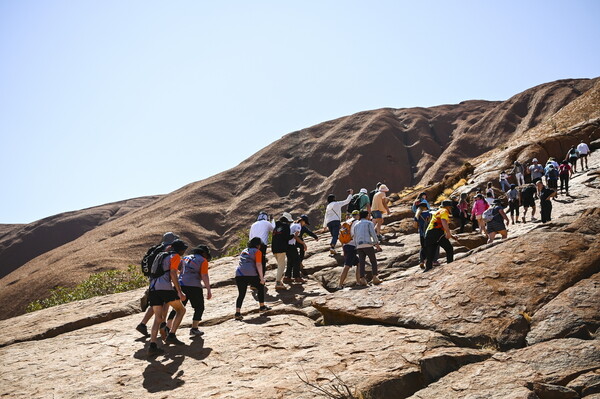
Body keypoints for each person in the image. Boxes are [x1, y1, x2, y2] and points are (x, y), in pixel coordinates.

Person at [147, 239, 188, 356]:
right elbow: (173, 273)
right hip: (165, 288)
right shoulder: (175, 256)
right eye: (183, 249)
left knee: (158, 318)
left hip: (153, 288)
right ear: (179, 249)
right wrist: (179, 291)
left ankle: (153, 345)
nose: (184, 251)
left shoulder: (161, 255)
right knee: (181, 310)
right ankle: (172, 335)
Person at [137, 232, 179, 337]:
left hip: (153, 280)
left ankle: (143, 324)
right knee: (165, 303)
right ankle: (162, 326)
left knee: (155, 304)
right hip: (162, 281)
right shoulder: (169, 250)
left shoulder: (156, 249)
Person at [166, 244, 212, 337]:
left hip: (181, 284)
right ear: (203, 253)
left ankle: (167, 327)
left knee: (178, 307)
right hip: (194, 286)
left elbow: (179, 268)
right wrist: (208, 289)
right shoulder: (203, 260)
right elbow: (204, 275)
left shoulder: (185, 258)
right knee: (199, 307)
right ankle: (194, 328)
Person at [234, 237, 271, 321]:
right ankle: (262, 307)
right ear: (258, 245)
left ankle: (237, 313)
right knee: (260, 287)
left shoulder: (244, 250)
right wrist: (262, 278)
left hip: (239, 273)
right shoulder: (257, 251)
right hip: (250, 273)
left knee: (241, 294)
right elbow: (258, 264)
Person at [424, 200, 458, 272]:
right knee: (449, 248)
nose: (450, 209)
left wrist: (451, 236)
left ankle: (428, 268)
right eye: (450, 208)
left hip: (429, 233)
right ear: (448, 207)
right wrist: (448, 233)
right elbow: (443, 221)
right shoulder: (444, 210)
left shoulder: (437, 211)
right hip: (437, 232)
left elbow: (441, 225)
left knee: (431, 252)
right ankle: (450, 265)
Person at [353, 210, 382, 285]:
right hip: (367, 244)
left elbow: (355, 236)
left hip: (359, 245)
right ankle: (375, 277)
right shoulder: (369, 223)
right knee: (373, 261)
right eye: (369, 215)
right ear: (367, 216)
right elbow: (373, 234)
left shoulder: (356, 225)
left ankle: (362, 279)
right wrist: (377, 244)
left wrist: (356, 246)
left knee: (362, 262)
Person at [323, 190, 354, 255]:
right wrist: (350, 194)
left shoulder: (328, 206)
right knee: (335, 235)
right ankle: (332, 247)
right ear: (334, 198)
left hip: (329, 222)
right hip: (335, 221)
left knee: (333, 236)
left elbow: (325, 215)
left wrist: (324, 226)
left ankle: (333, 246)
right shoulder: (337, 203)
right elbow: (347, 201)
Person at [337, 210, 360, 289]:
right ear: (358, 215)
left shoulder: (347, 222)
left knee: (359, 263)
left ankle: (358, 282)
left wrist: (343, 248)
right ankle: (340, 285)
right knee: (347, 266)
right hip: (352, 246)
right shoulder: (356, 222)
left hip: (346, 245)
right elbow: (355, 234)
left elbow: (341, 235)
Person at [248, 212, 275, 276]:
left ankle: (253, 279)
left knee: (254, 261)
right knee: (261, 261)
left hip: (252, 245)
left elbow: (250, 236)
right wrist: (273, 220)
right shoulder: (266, 223)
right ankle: (261, 278)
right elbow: (273, 229)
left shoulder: (253, 224)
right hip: (261, 245)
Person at [283, 216, 307, 284]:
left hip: (287, 245)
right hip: (291, 245)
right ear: (302, 221)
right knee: (297, 260)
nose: (304, 224)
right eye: (305, 222)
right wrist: (303, 243)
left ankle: (287, 277)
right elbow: (295, 237)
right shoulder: (298, 226)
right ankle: (297, 277)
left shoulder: (293, 224)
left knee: (290, 261)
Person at [272, 213, 292, 290]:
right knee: (282, 266)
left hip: (274, 248)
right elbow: (287, 237)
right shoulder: (286, 226)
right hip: (281, 248)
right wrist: (293, 235)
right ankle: (278, 282)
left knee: (279, 265)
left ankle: (279, 281)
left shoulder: (275, 226)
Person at [414, 200, 433, 268]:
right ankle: (429, 261)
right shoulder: (430, 214)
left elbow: (415, 226)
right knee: (430, 247)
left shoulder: (417, 215)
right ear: (426, 207)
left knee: (423, 247)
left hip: (422, 233)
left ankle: (421, 261)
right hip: (430, 232)